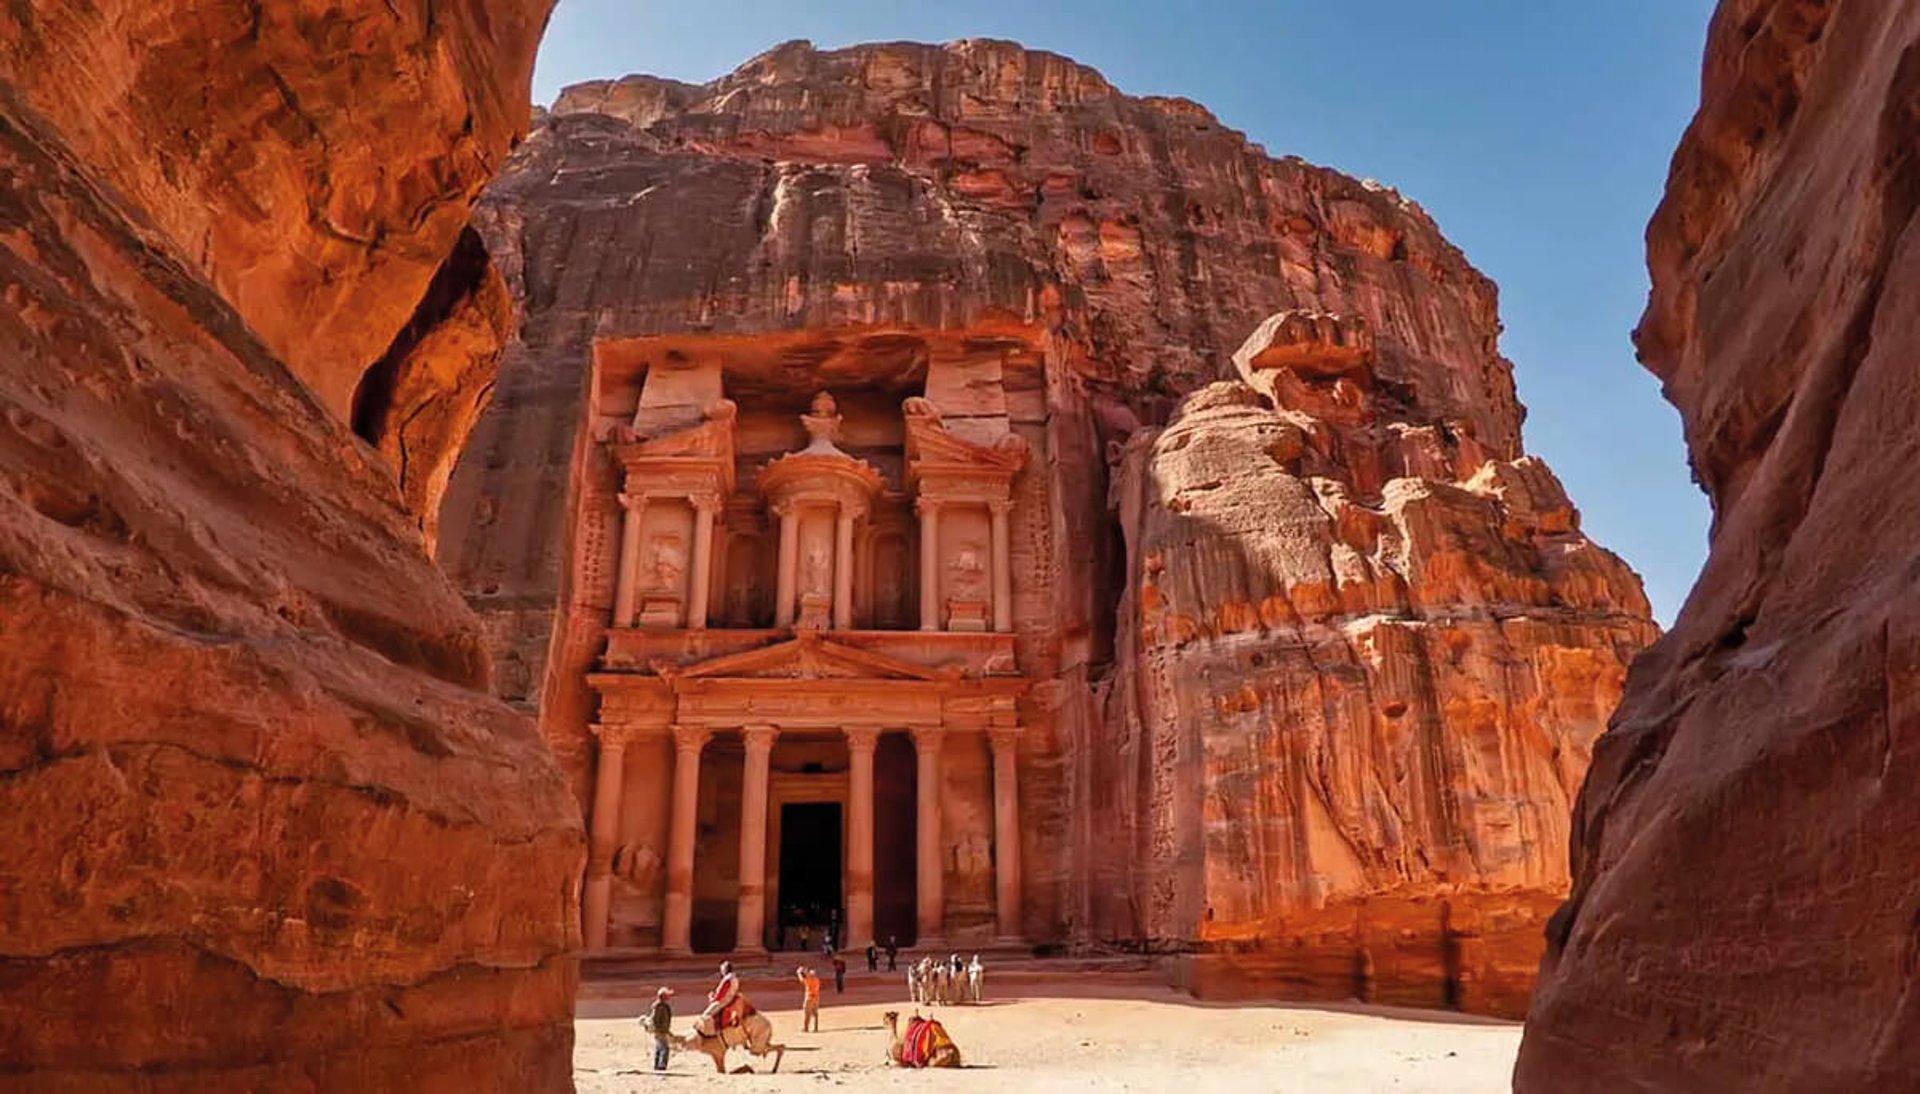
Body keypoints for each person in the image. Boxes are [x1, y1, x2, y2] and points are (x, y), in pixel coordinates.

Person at [699, 961, 742, 1036]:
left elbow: (720, 995)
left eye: (722, 969)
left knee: (705, 1016)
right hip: (730, 1000)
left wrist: (712, 997)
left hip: (723, 1001)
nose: (721, 971)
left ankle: (710, 1034)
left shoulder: (727, 979)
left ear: (725, 969)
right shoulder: (734, 978)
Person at [646, 986, 674, 1071]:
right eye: (668, 995)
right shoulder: (659, 1006)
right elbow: (656, 1019)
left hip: (661, 1030)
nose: (670, 997)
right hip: (660, 1031)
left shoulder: (661, 1006)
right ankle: (661, 1066)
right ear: (663, 996)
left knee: (659, 1047)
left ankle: (657, 1065)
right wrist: (660, 1030)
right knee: (664, 1048)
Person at [798, 965, 821, 1032]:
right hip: (816, 997)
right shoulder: (817, 980)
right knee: (815, 1013)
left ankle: (806, 1028)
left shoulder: (809, 980)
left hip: (809, 998)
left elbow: (802, 980)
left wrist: (799, 973)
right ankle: (815, 1028)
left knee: (807, 1013)